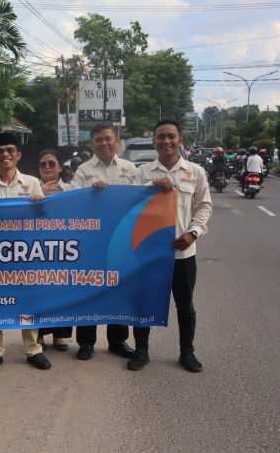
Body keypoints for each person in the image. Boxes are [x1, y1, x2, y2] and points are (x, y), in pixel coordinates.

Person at [129, 119, 213, 372]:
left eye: (171, 136)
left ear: (180, 140)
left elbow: (204, 206)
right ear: (154, 141)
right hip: (149, 253)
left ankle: (187, 352)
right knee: (143, 303)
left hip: (183, 253)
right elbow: (129, 204)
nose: (166, 141)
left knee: (184, 305)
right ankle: (141, 351)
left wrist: (193, 233)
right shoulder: (142, 172)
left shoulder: (195, 171)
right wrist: (151, 186)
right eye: (160, 137)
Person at [0, 132, 52, 372]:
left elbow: (43, 220)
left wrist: (41, 204)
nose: (5, 154)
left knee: (27, 300)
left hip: (26, 253)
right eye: (0, 151)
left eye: (10, 150)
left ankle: (33, 350)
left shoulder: (31, 184)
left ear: (18, 155)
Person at [68, 123, 136, 361]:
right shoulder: (84, 171)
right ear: (92, 144)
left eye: (108, 139)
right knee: (89, 290)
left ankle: (118, 340)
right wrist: (91, 193)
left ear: (117, 141)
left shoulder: (130, 169)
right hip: (91, 242)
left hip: (122, 241)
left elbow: (141, 202)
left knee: (120, 289)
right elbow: (72, 201)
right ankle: (86, 342)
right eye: (98, 140)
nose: (104, 143)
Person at [35, 149, 73, 351]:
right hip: (37, 248)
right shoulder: (31, 186)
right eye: (43, 164)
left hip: (65, 247)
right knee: (40, 291)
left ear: (59, 167)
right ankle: (39, 335)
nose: (47, 167)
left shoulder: (71, 188)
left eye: (51, 163)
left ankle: (60, 335)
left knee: (62, 290)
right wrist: (41, 194)